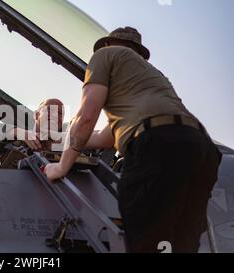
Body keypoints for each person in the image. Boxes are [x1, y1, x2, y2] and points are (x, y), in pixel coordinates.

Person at [44, 27, 222, 252]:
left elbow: (86, 116)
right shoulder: (152, 78)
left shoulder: (105, 55)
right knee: (179, 244)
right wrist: (59, 139)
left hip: (159, 144)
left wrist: (61, 166)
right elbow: (104, 139)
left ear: (108, 44)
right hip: (203, 153)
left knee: (146, 239)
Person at [0, 99, 64, 169]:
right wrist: (17, 132)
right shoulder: (15, 139)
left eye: (60, 113)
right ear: (36, 115)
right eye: (50, 109)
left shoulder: (66, 152)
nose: (55, 115)